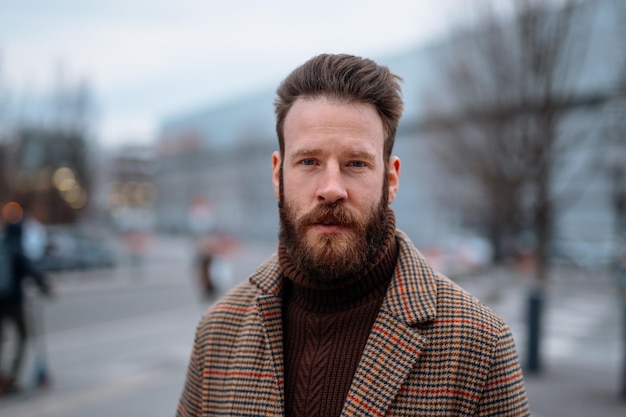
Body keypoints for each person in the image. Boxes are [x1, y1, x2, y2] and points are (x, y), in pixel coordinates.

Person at [176, 54, 530, 416]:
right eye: (309, 162)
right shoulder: (218, 332)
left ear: (390, 179)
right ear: (277, 175)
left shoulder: (479, 346)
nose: (331, 189)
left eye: (356, 163)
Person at [0, 207, 52, 395]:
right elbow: (30, 271)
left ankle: (2, 377)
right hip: (13, 301)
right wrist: (45, 287)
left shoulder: (3, 244)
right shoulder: (16, 248)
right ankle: (11, 378)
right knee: (22, 336)